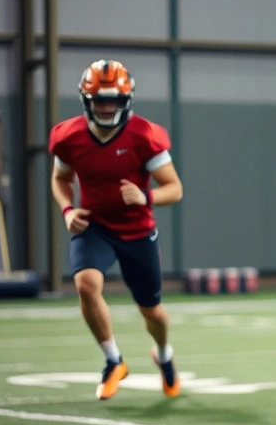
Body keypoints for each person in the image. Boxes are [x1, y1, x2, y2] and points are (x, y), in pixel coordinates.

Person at [48, 59, 183, 401]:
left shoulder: (144, 135)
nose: (107, 108)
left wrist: (146, 196)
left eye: (114, 101)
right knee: (86, 284)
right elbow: (60, 179)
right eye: (100, 101)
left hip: (137, 231)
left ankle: (163, 354)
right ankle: (113, 360)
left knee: (151, 310)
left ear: (126, 100)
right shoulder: (69, 136)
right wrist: (67, 210)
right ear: (87, 100)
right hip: (94, 226)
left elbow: (174, 188)